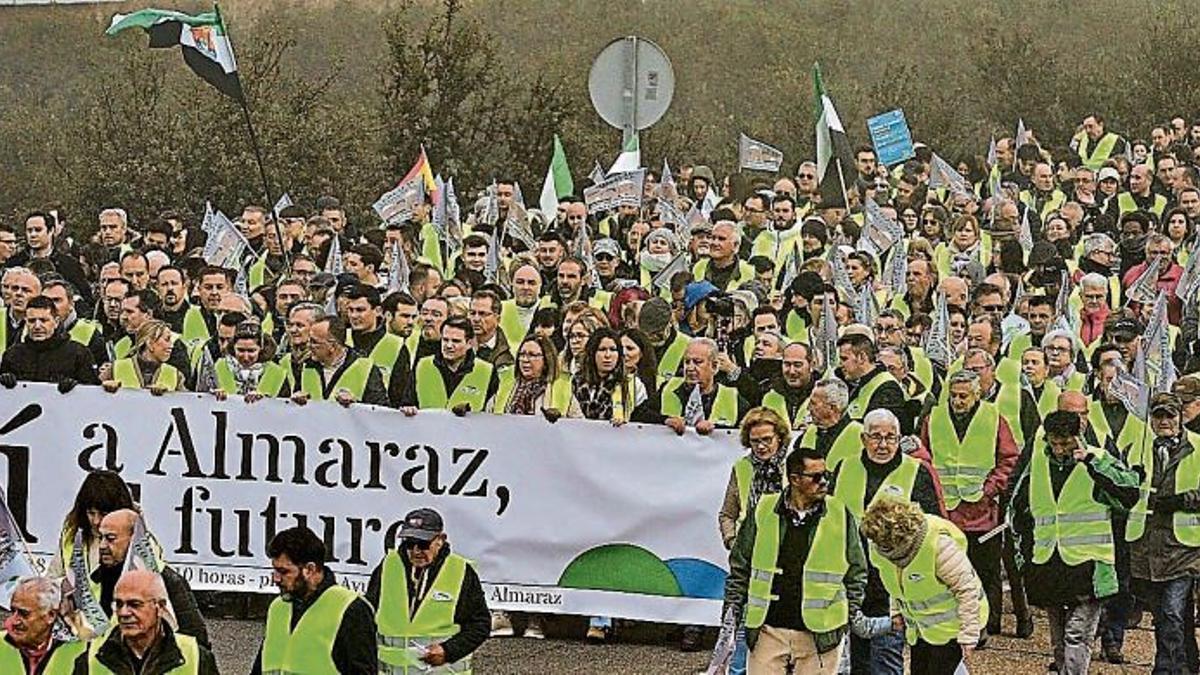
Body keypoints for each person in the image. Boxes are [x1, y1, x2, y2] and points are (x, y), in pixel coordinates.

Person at [1009, 411, 1139, 675]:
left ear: (1077, 437)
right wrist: (1023, 556)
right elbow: (1017, 508)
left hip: (1088, 564)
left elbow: (1129, 492)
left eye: (1065, 443)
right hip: (1048, 561)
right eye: (1053, 443)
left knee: (1077, 636)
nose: (1058, 450)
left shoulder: (1098, 458)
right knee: (1058, 641)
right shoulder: (1037, 461)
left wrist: (1092, 463)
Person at [722, 445, 867, 674]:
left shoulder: (840, 513)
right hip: (767, 631)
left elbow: (857, 571)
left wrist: (848, 616)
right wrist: (731, 614)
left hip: (820, 635)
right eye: (816, 476)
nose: (824, 482)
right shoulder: (763, 509)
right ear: (794, 479)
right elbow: (740, 566)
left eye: (826, 475)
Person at [830, 409, 941, 675]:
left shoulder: (916, 472)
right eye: (876, 437)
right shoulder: (845, 467)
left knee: (887, 658)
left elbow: (931, 528)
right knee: (854, 661)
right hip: (852, 580)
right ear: (863, 438)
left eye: (890, 438)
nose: (883, 444)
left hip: (893, 584)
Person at [919, 368, 1019, 641]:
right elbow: (924, 458)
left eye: (964, 396)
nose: (958, 401)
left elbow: (1009, 459)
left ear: (977, 395)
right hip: (946, 511)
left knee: (983, 572)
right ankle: (953, 622)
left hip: (981, 511)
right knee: (947, 572)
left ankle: (982, 624)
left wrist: (990, 489)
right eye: (953, 395)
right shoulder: (933, 419)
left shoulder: (994, 418)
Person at [861, 497, 987, 675]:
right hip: (920, 628)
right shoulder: (881, 548)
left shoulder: (938, 545)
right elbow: (893, 583)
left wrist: (969, 634)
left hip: (952, 627)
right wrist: (896, 611)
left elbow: (967, 590)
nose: (879, 548)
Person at [1127, 392, 1200, 675]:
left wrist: (1182, 500)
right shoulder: (1139, 447)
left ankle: (1166, 667)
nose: (1164, 421)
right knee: (1164, 615)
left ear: (1180, 417)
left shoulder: (1197, 447)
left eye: (1170, 415)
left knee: (1172, 610)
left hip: (1185, 547)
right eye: (1159, 415)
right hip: (1147, 546)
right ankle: (1182, 663)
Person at [366, 508, 490, 672]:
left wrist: (448, 650)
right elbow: (365, 618)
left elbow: (480, 624)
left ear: (440, 539)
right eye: (410, 543)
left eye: (423, 544)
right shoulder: (388, 566)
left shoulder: (460, 571)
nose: (416, 551)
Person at [716, 407, 791, 675]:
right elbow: (727, 514)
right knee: (742, 629)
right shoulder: (742, 468)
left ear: (779, 438)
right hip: (750, 561)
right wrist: (733, 541)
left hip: (785, 559)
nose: (761, 446)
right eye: (755, 441)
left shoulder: (792, 468)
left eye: (767, 440)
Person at [252, 526, 377, 674]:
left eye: (284, 571)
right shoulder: (278, 608)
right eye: (274, 570)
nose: (276, 579)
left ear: (310, 569)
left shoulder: (350, 609)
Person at [74, 569, 217, 675]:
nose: (124, 613)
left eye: (135, 604)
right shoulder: (91, 660)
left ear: (160, 607)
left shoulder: (197, 658)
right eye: (118, 604)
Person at [0, 296, 97, 391]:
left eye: (43, 320)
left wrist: (77, 387)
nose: (37, 326)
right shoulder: (12, 355)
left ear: (56, 322)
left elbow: (93, 394)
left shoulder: (79, 354)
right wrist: (4, 382)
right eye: (32, 321)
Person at [292, 315, 389, 408]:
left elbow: (380, 411)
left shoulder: (365, 368)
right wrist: (296, 401)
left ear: (332, 346)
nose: (308, 345)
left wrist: (356, 405)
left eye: (314, 342)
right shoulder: (305, 366)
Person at [0, 576, 86, 674]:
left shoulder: (80, 651)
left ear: (50, 615)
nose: (14, 621)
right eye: (13, 611)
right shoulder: (2, 643)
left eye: (24, 613)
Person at [489, 334, 580, 418]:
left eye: (532, 355)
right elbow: (488, 417)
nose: (525, 360)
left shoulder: (562, 389)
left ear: (546, 360)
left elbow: (578, 426)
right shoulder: (506, 384)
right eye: (522, 354)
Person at [100, 320, 185, 394]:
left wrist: (168, 396)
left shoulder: (176, 375)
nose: (171, 345)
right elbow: (93, 399)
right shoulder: (115, 369)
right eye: (167, 339)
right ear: (150, 343)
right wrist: (104, 389)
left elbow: (188, 404)